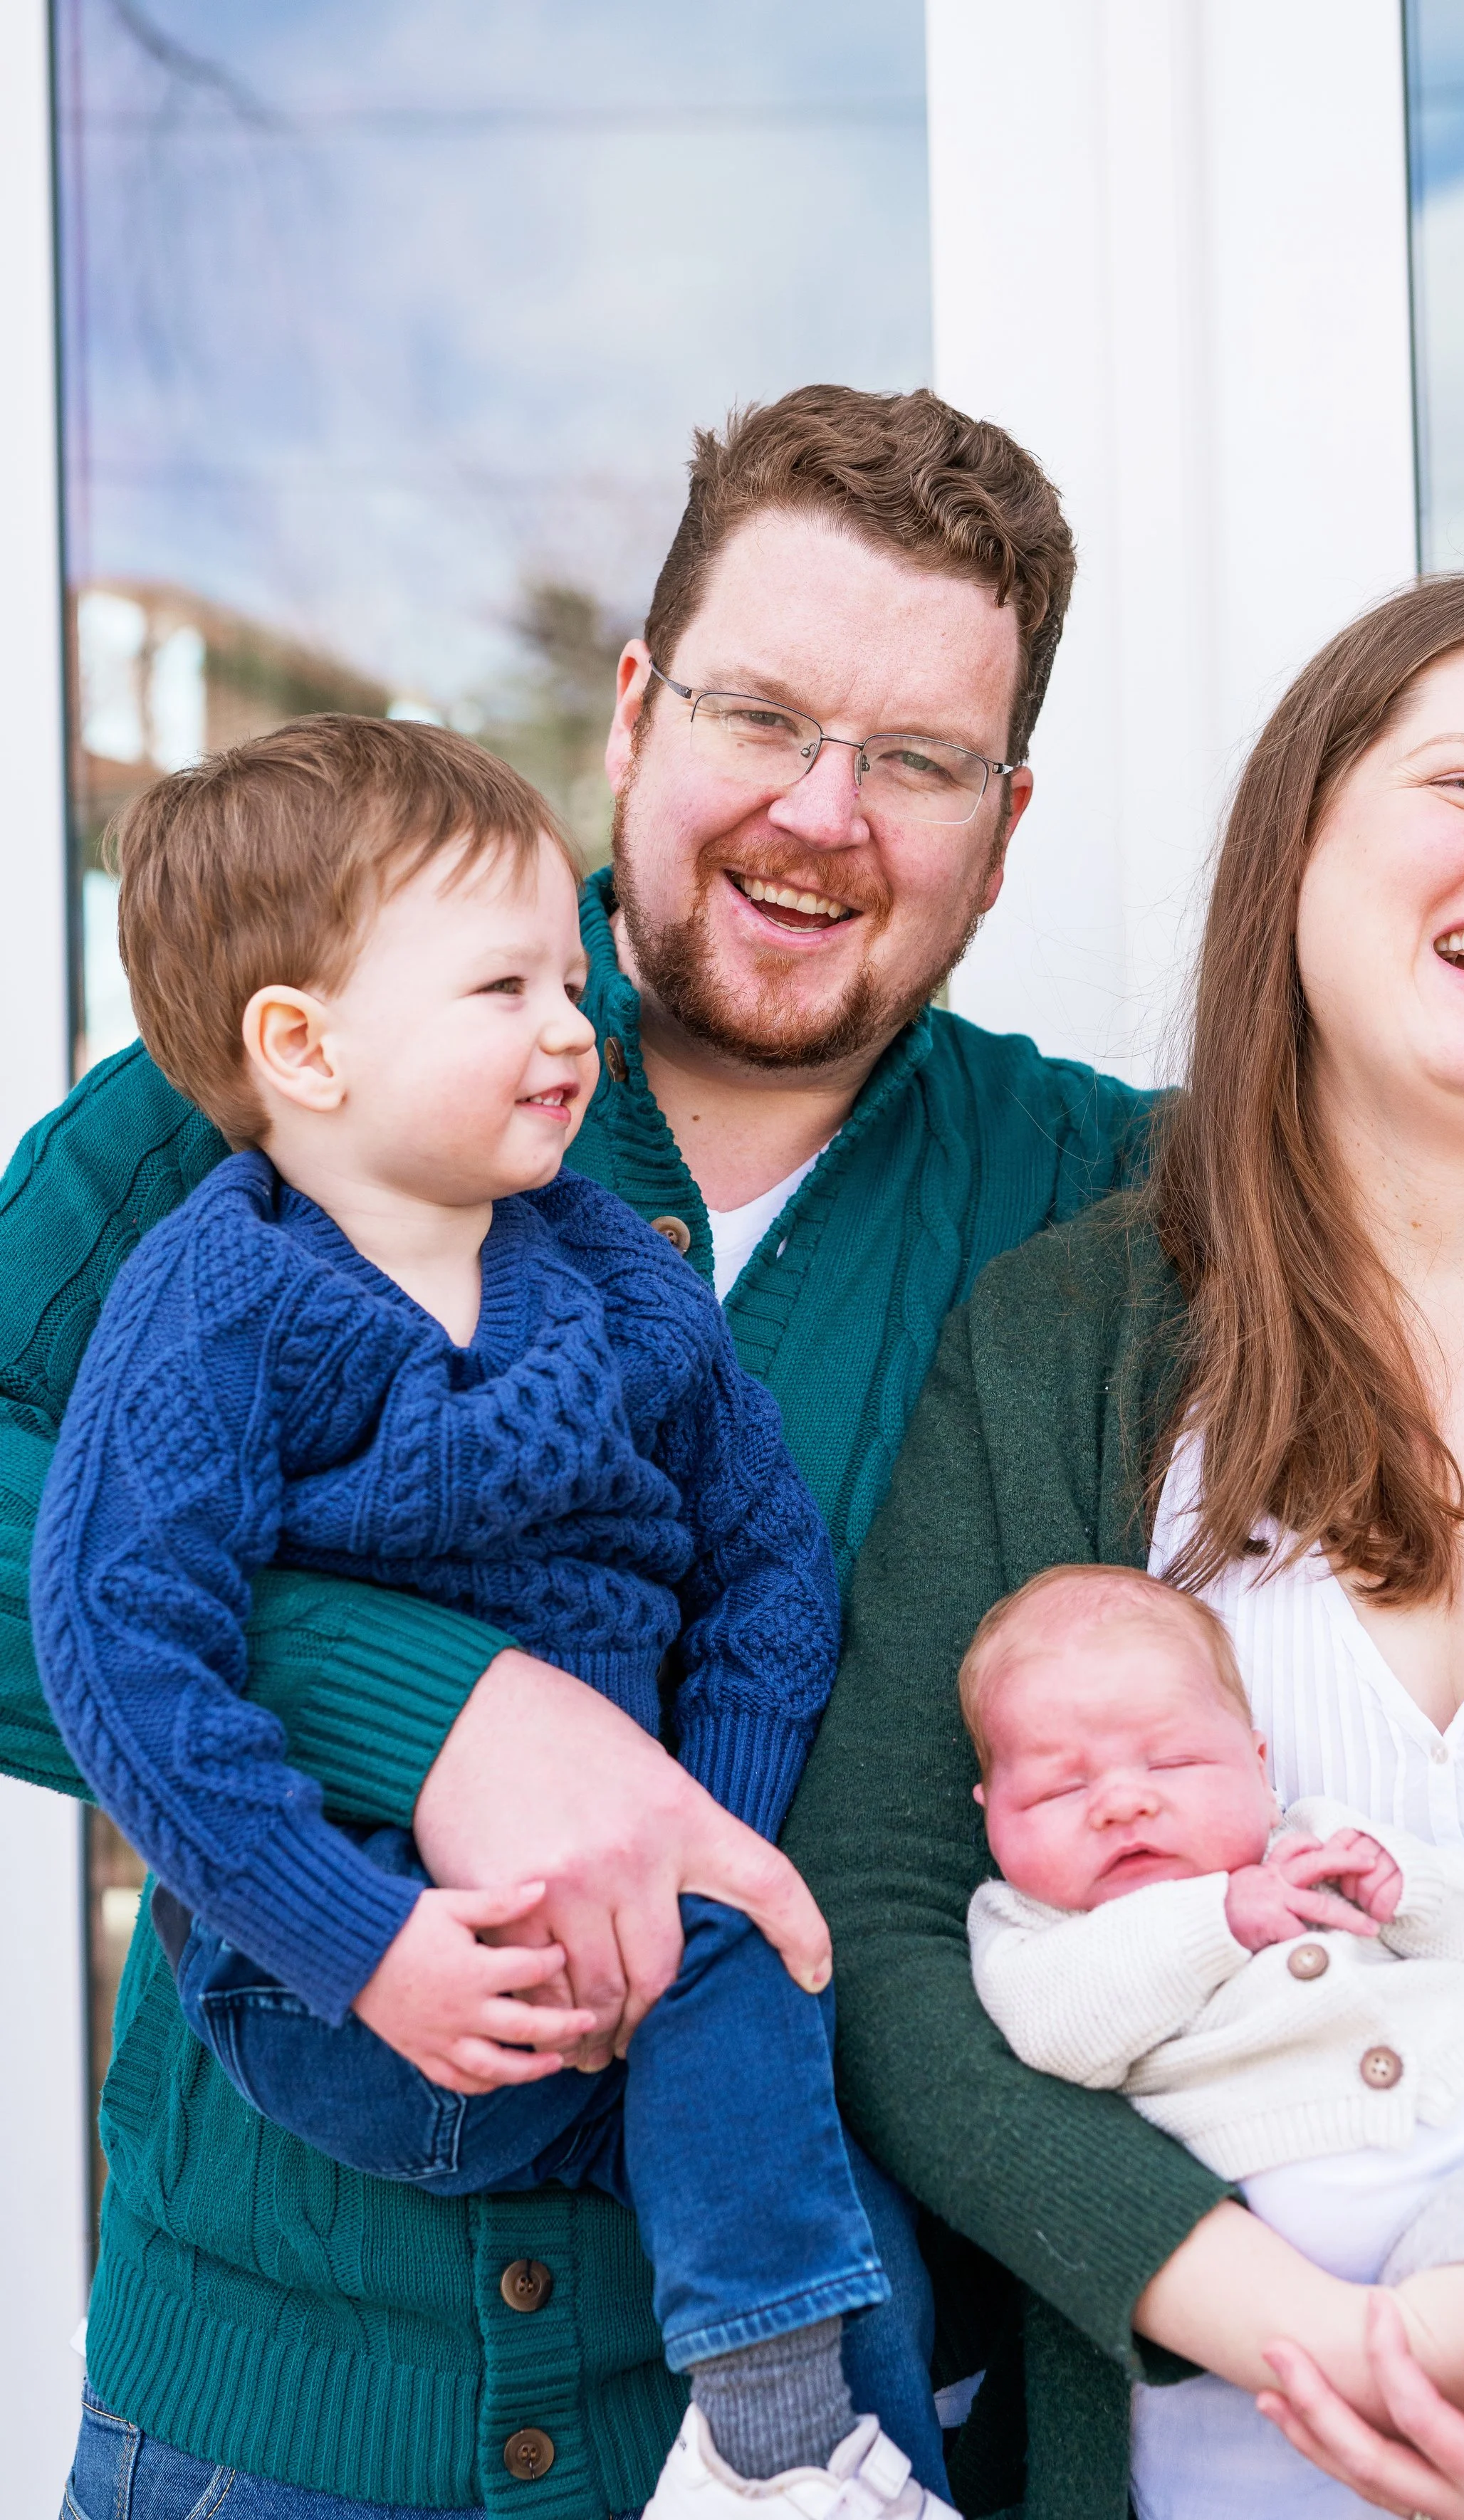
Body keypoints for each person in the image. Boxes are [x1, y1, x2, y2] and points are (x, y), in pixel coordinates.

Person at [0, 382, 1151, 2520]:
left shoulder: (1088, 1197)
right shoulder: (281, 1065)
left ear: (1004, 816)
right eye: (760, 713)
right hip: (266, 2439)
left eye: (913, 760)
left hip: (838, 2456)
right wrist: (440, 1711)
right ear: (631, 709)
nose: (824, 809)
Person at [786, 572, 1464, 2520]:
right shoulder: (1073, 1333)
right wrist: (1285, 2323)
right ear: (1295, 846)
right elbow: (885, 1925)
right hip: (1233, 2460)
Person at [30, 713, 963, 2520]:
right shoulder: (216, 1298)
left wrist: (699, 1834)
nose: (572, 1027)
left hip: (631, 1979)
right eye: (505, 989)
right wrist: (365, 1941)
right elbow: (123, 1647)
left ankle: (796, 2457)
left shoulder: (603, 1272)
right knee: (773, 2156)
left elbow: (765, 1571)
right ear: (301, 1047)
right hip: (345, 1998)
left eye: (568, 973)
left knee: (839, 2220)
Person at [958, 1563, 1464, 2503]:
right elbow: (1057, 2029)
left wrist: (1411, 1892)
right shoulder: (1033, 1931)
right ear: (989, 1815)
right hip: (1436, 2224)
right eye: (1059, 1792)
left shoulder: (1316, 1839)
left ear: (1258, 1763)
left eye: (1174, 1764)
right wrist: (1217, 1921)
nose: (1121, 1802)